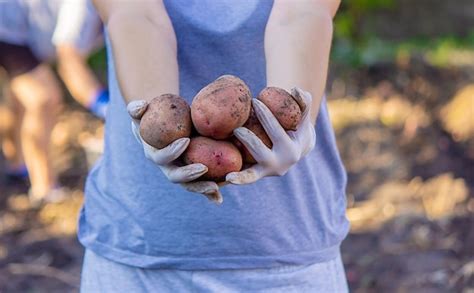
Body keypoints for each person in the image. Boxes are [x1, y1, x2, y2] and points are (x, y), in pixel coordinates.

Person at [80, 0, 349, 291]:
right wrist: (157, 121)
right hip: (136, 246)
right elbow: (135, 14)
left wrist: (290, 123)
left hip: (288, 248)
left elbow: (302, 13)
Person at [0, 0, 107, 202]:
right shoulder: (85, 5)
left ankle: (16, 168)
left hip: (19, 32)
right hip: (7, 28)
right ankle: (44, 189)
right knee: (44, 98)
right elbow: (69, 59)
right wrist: (102, 104)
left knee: (22, 98)